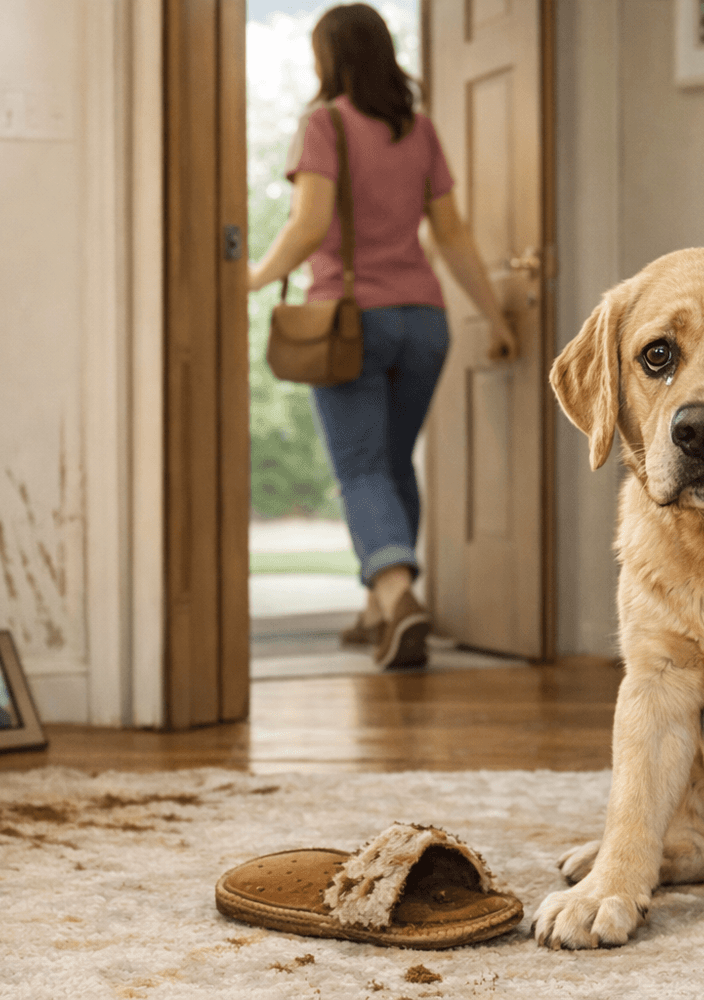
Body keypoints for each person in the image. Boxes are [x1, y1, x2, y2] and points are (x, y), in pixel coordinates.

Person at [248, 4, 517, 668]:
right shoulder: (417, 129)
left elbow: (309, 226)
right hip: (425, 322)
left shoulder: (325, 125)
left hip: (351, 321)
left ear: (327, 58)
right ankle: (379, 610)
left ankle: (397, 594)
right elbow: (451, 236)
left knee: (362, 469)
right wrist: (496, 316)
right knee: (394, 467)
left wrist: (252, 278)